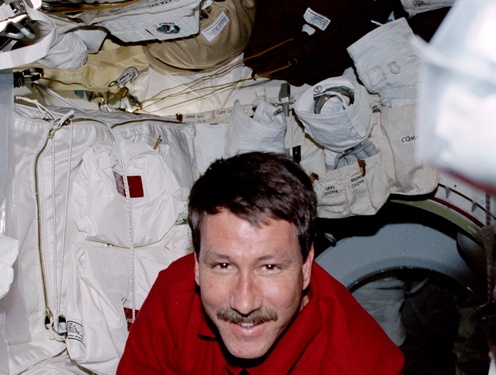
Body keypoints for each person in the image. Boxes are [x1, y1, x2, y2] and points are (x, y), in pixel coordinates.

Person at [117, 151, 404, 374]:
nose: (244, 304)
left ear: (306, 267)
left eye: (269, 267)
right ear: (196, 265)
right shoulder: (174, 295)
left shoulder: (359, 364)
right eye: (223, 266)